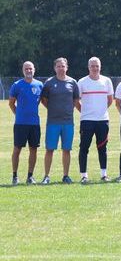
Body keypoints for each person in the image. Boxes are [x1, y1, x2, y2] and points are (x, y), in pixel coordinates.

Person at [40, 57, 80, 185]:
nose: (61, 68)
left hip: (68, 122)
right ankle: (46, 176)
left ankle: (66, 176)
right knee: (50, 149)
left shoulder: (73, 82)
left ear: (66, 67)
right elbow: (44, 100)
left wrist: (68, 110)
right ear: (54, 68)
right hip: (53, 122)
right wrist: (53, 109)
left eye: (63, 66)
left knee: (66, 150)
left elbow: (75, 100)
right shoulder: (49, 83)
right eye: (58, 66)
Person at [78, 57, 114, 183]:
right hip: (87, 120)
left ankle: (104, 174)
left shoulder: (106, 81)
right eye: (92, 66)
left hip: (102, 120)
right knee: (84, 148)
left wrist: (101, 110)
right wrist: (85, 111)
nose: (95, 68)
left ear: (100, 67)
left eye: (97, 66)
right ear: (88, 67)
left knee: (102, 148)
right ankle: (84, 175)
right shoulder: (82, 82)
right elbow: (76, 100)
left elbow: (110, 100)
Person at [9, 61, 43, 185]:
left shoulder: (39, 85)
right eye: (26, 69)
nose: (28, 70)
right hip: (20, 124)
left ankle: (30, 176)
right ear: (23, 70)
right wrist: (18, 114)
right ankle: (15, 176)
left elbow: (39, 101)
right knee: (17, 149)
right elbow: (11, 103)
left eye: (30, 68)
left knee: (33, 149)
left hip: (34, 123)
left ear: (34, 70)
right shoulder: (17, 85)